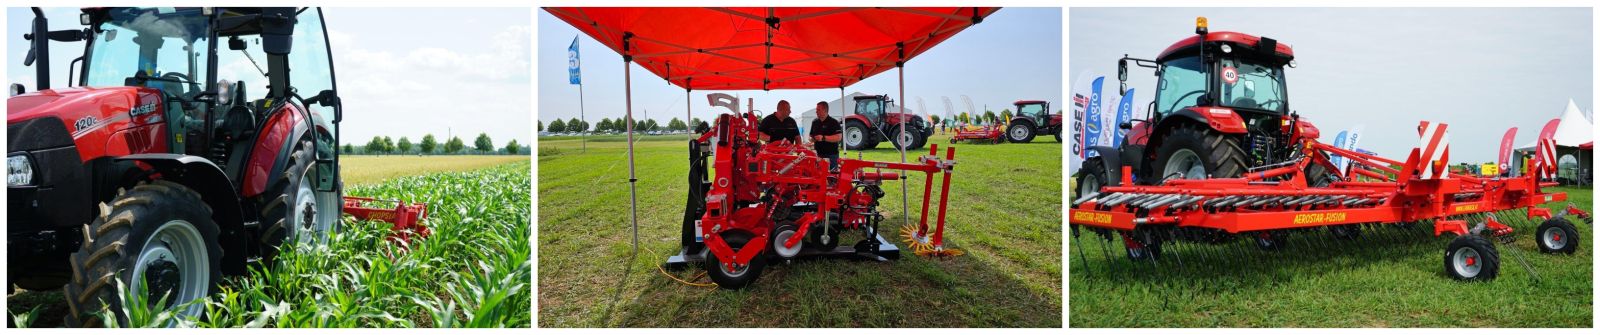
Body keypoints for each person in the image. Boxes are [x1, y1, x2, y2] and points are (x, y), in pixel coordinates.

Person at [809, 101, 843, 169]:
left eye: (818, 109)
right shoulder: (815, 122)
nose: (816, 111)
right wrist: (812, 139)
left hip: (831, 155)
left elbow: (839, 137)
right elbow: (810, 136)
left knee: (832, 176)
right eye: (816, 110)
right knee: (818, 175)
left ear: (825, 110)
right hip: (818, 155)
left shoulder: (834, 122)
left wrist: (823, 138)